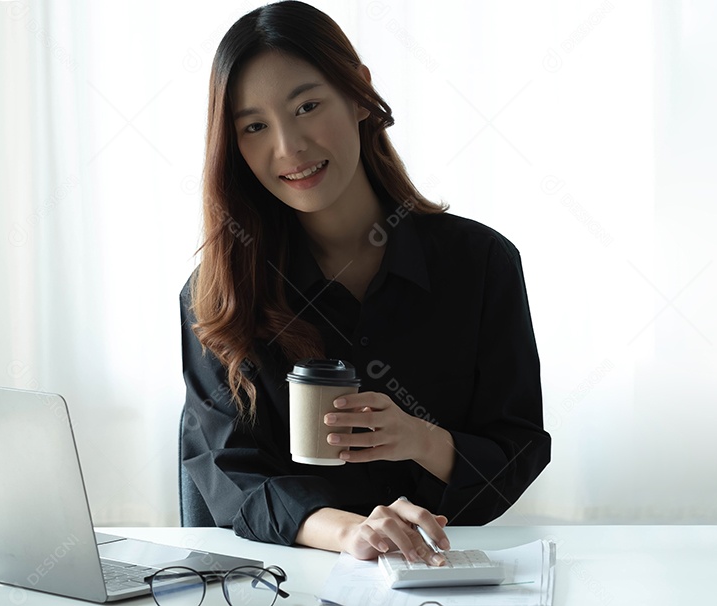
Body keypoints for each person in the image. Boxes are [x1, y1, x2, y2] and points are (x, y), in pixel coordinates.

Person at [180, 0, 550, 566]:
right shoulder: (219, 290)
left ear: (358, 94)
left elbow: (518, 450)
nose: (289, 147)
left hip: (447, 582)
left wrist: (420, 439)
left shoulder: (481, 264)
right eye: (255, 126)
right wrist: (352, 532)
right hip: (283, 586)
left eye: (306, 106)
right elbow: (227, 476)